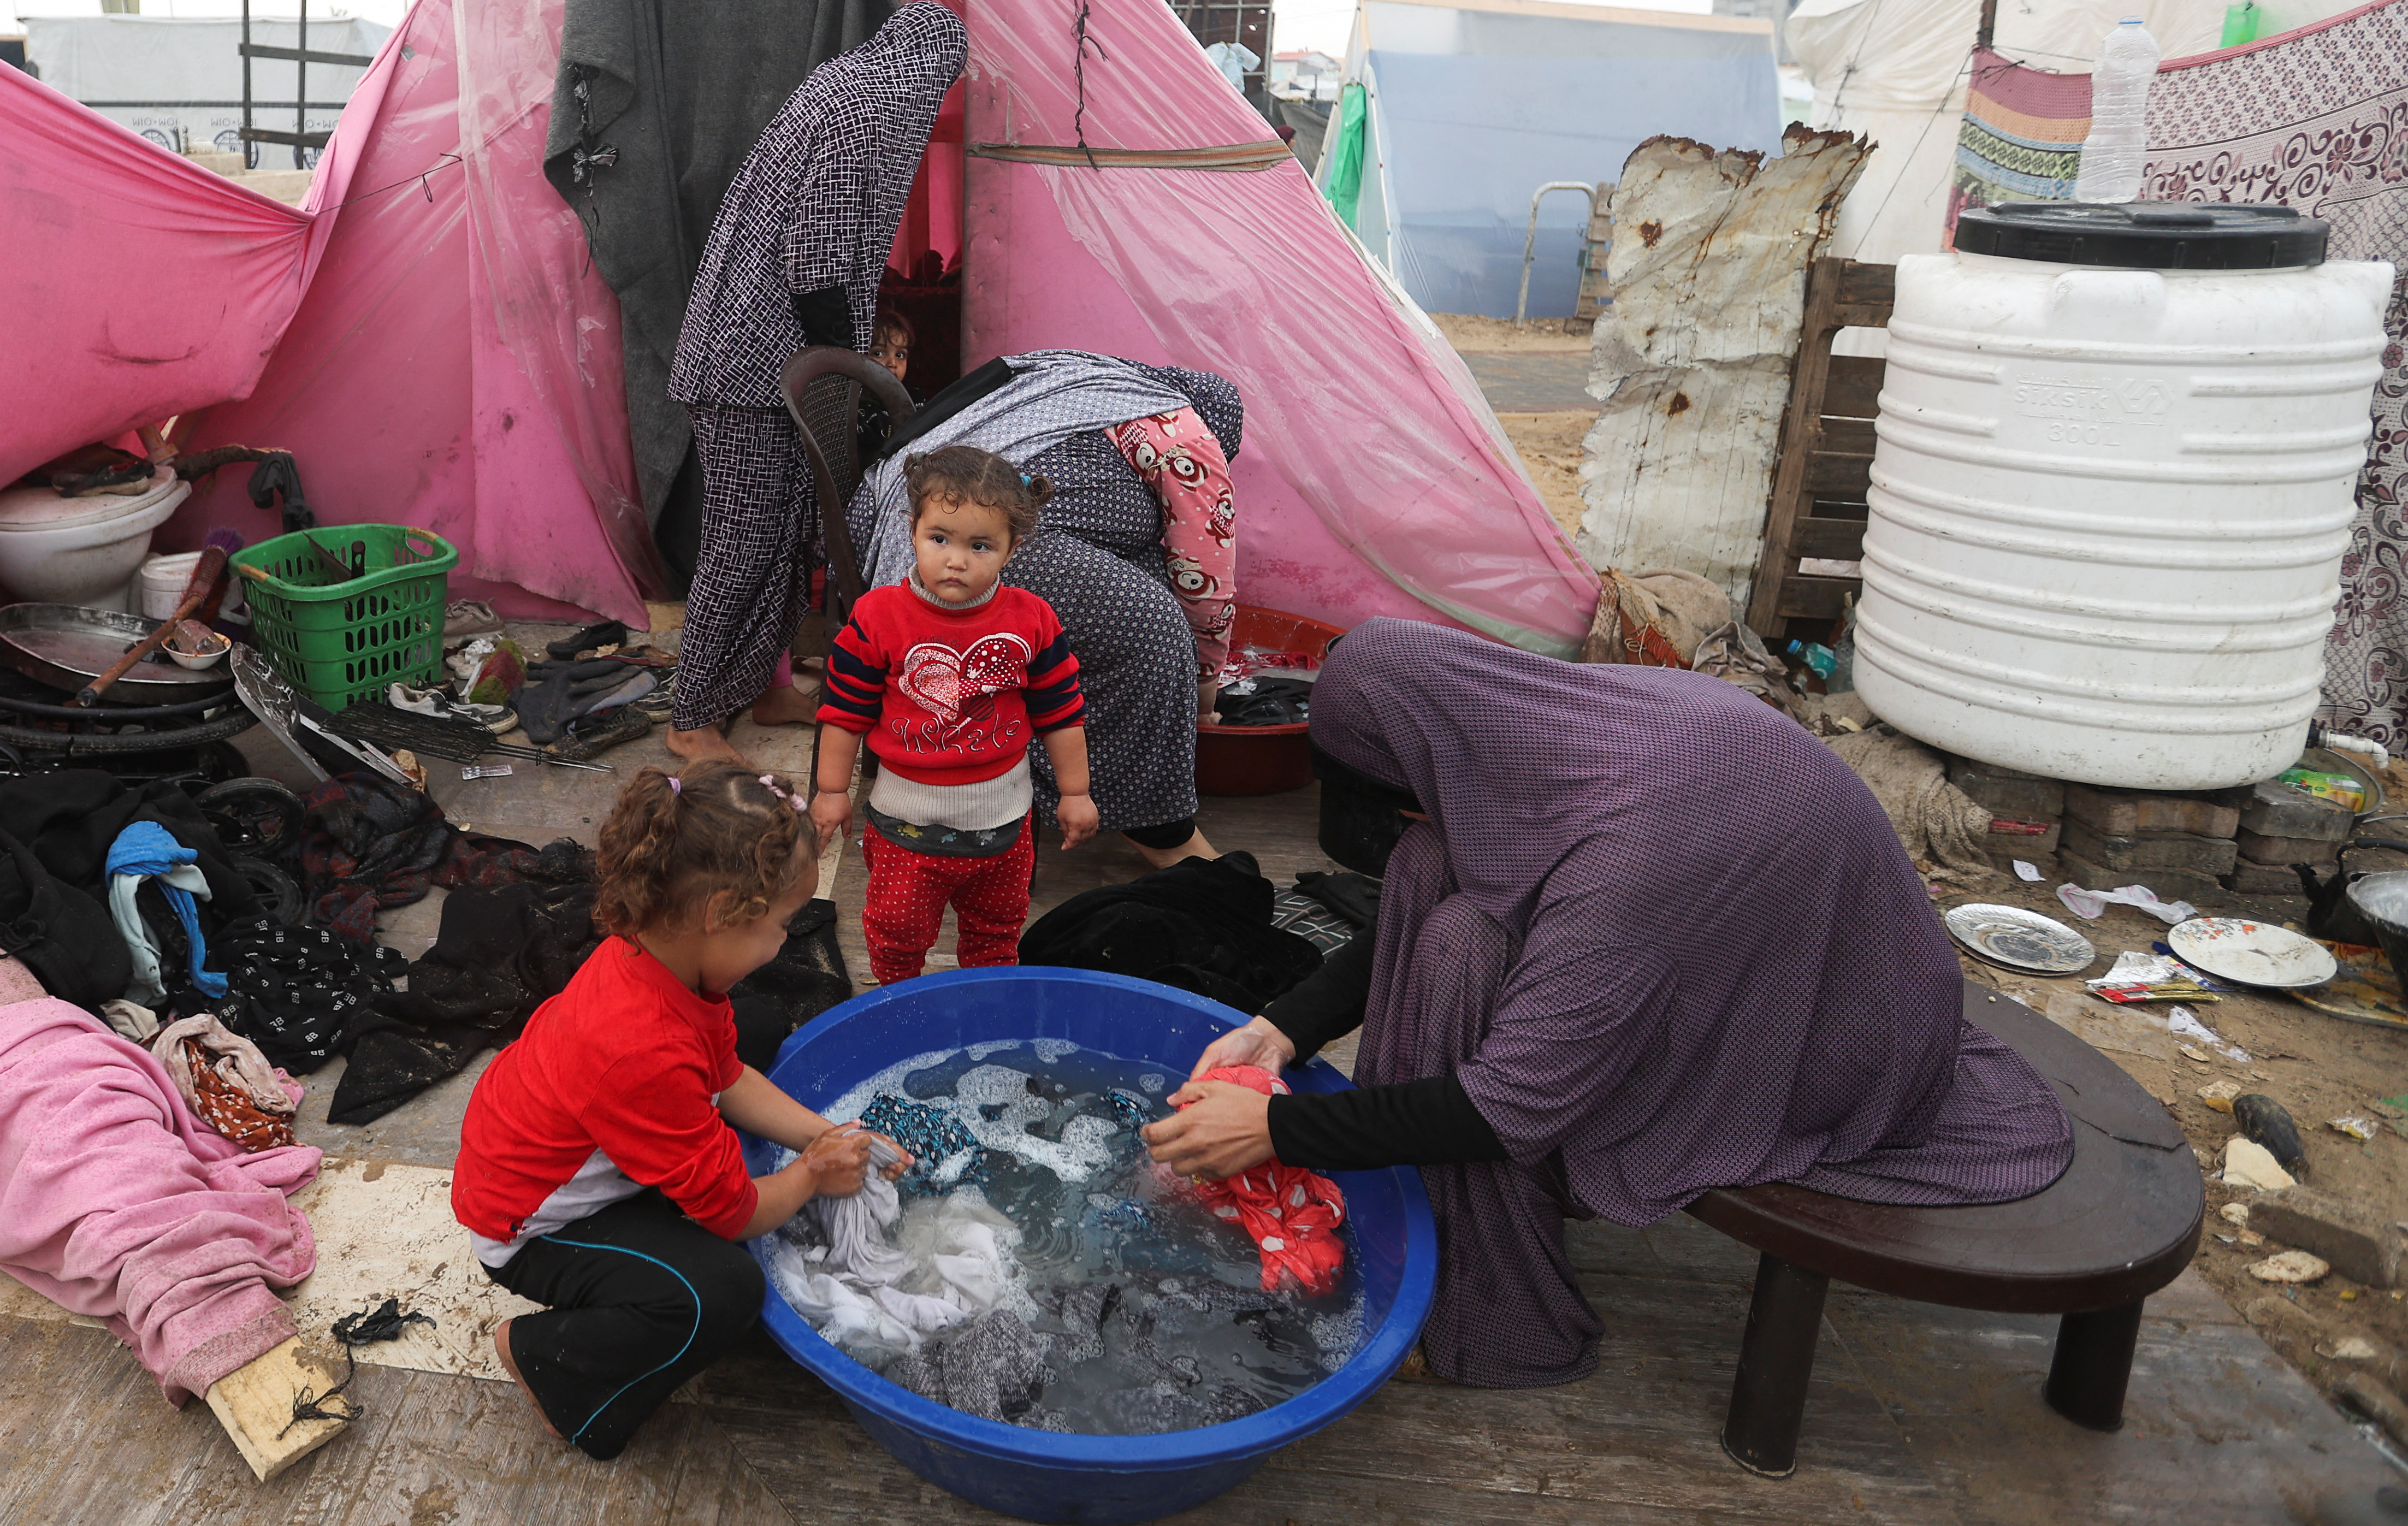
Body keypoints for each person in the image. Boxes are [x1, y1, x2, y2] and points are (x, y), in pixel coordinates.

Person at [1141, 618, 2074, 1388]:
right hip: (1746, 935)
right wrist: (1280, 1029)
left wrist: (1279, 1135)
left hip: (1818, 1033)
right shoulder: (1558, 721)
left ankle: (1495, 1296)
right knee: (1444, 891)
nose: (1405, 824)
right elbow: (1422, 894)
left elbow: (1511, 1105)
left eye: (1402, 803)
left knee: (1463, 943)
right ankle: (1447, 1218)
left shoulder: (1623, 874)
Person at [452, 760, 894, 1460]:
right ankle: (548, 1360)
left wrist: (826, 1132)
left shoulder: (655, 958)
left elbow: (725, 1072)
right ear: (721, 913)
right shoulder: (639, 1051)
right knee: (717, 1294)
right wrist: (811, 1174)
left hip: (582, 1127)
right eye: (782, 924)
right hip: (533, 1225)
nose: (787, 942)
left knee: (755, 1020)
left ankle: (668, 1190)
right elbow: (737, 1213)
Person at [664, 4, 969, 769]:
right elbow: (818, 262)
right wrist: (850, 372)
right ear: (928, 71)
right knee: (743, 541)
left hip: (773, 359)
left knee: (790, 533)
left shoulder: (845, 88)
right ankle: (692, 713)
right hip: (748, 362)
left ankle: (758, 687)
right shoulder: (868, 111)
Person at [850, 350, 1242, 868]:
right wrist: (1203, 686)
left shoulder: (1090, 378)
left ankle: (1091, 776)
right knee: (1150, 623)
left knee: (1147, 574)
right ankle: (1158, 827)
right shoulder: (1184, 431)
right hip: (979, 540)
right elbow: (1205, 579)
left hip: (913, 515)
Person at [811, 447, 1096, 982]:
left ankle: (984, 1011)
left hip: (1004, 827)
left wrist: (1075, 792)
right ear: (913, 529)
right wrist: (831, 791)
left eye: (980, 545)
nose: (956, 560)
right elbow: (845, 711)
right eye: (939, 538)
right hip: (906, 829)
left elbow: (1061, 713)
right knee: (897, 939)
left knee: (996, 938)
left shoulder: (1033, 620)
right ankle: (902, 1014)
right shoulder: (878, 617)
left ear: (1013, 548)